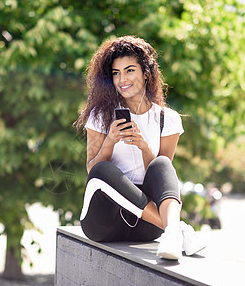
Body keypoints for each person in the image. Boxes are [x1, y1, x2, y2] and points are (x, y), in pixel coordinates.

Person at [75, 35, 205, 260]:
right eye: (116, 73)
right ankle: (176, 229)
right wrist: (110, 141)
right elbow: (92, 172)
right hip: (104, 221)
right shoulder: (99, 116)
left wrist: (145, 148)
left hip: (145, 227)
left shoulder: (167, 119)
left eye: (129, 70)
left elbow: (161, 179)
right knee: (102, 170)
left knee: (162, 163)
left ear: (146, 73)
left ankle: (171, 231)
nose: (122, 79)